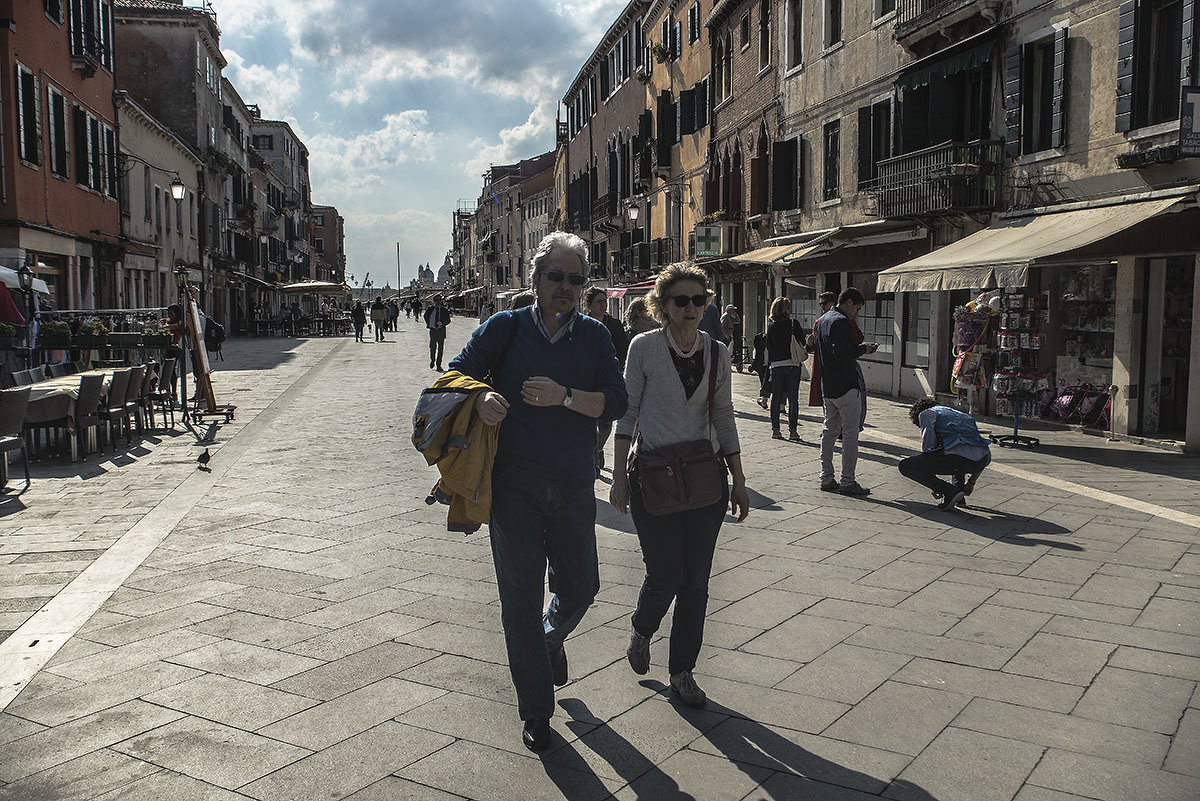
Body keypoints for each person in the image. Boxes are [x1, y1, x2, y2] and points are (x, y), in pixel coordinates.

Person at [449, 231, 628, 753]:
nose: (566, 288)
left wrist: (566, 397)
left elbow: (615, 401)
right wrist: (481, 396)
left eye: (576, 279)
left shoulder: (594, 336)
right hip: (514, 487)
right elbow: (455, 374)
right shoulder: (504, 328)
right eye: (556, 277)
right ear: (535, 279)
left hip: (574, 483)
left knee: (584, 586)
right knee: (519, 601)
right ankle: (536, 710)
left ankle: (550, 640)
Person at [610, 264, 749, 708]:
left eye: (699, 300)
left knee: (696, 582)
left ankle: (682, 672)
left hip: (706, 479)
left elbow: (723, 415)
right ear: (663, 305)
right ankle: (642, 628)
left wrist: (741, 479)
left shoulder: (718, 352)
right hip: (653, 478)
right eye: (681, 301)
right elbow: (627, 414)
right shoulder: (643, 348)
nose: (691, 308)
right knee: (665, 574)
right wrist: (617, 478)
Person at [815, 288, 878, 496]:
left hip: (828, 385)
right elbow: (842, 352)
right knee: (850, 434)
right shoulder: (841, 321)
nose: (856, 314)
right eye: (857, 309)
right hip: (846, 385)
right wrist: (863, 349)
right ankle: (847, 481)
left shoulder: (823, 319)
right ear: (849, 303)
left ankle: (826, 476)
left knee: (829, 431)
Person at [899, 398, 990, 511]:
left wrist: (935, 484)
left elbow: (928, 448)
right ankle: (958, 496)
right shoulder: (961, 415)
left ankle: (950, 491)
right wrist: (971, 482)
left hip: (958, 459)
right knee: (954, 451)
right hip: (980, 461)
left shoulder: (926, 414)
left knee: (905, 466)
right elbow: (984, 455)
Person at [583, 286, 629, 477]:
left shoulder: (615, 324)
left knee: (606, 425)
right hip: (585, 380)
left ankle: (598, 449)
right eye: (599, 302)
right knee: (589, 424)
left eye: (605, 301)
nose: (603, 305)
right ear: (589, 305)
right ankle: (593, 459)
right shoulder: (581, 324)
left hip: (608, 380)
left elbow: (623, 350)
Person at [807, 291, 867, 430]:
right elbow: (842, 351)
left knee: (830, 423)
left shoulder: (839, 320)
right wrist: (863, 349)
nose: (822, 307)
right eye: (820, 304)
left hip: (827, 372)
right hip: (838, 371)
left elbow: (857, 337)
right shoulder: (830, 321)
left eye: (824, 303)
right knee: (846, 427)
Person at [765, 297, 806, 441]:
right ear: (786, 309)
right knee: (793, 398)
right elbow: (802, 341)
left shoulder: (771, 326)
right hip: (792, 365)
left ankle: (776, 430)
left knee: (776, 397)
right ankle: (793, 431)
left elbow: (769, 347)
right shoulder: (793, 324)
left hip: (776, 366)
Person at [425, 295, 450, 370]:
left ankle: (439, 364)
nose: (438, 302)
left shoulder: (444, 310)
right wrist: (429, 324)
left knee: (440, 348)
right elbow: (426, 316)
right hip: (433, 330)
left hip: (441, 331)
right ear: (434, 301)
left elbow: (448, 320)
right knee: (432, 347)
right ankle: (432, 360)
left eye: (439, 300)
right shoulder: (430, 309)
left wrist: (442, 323)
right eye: (436, 300)